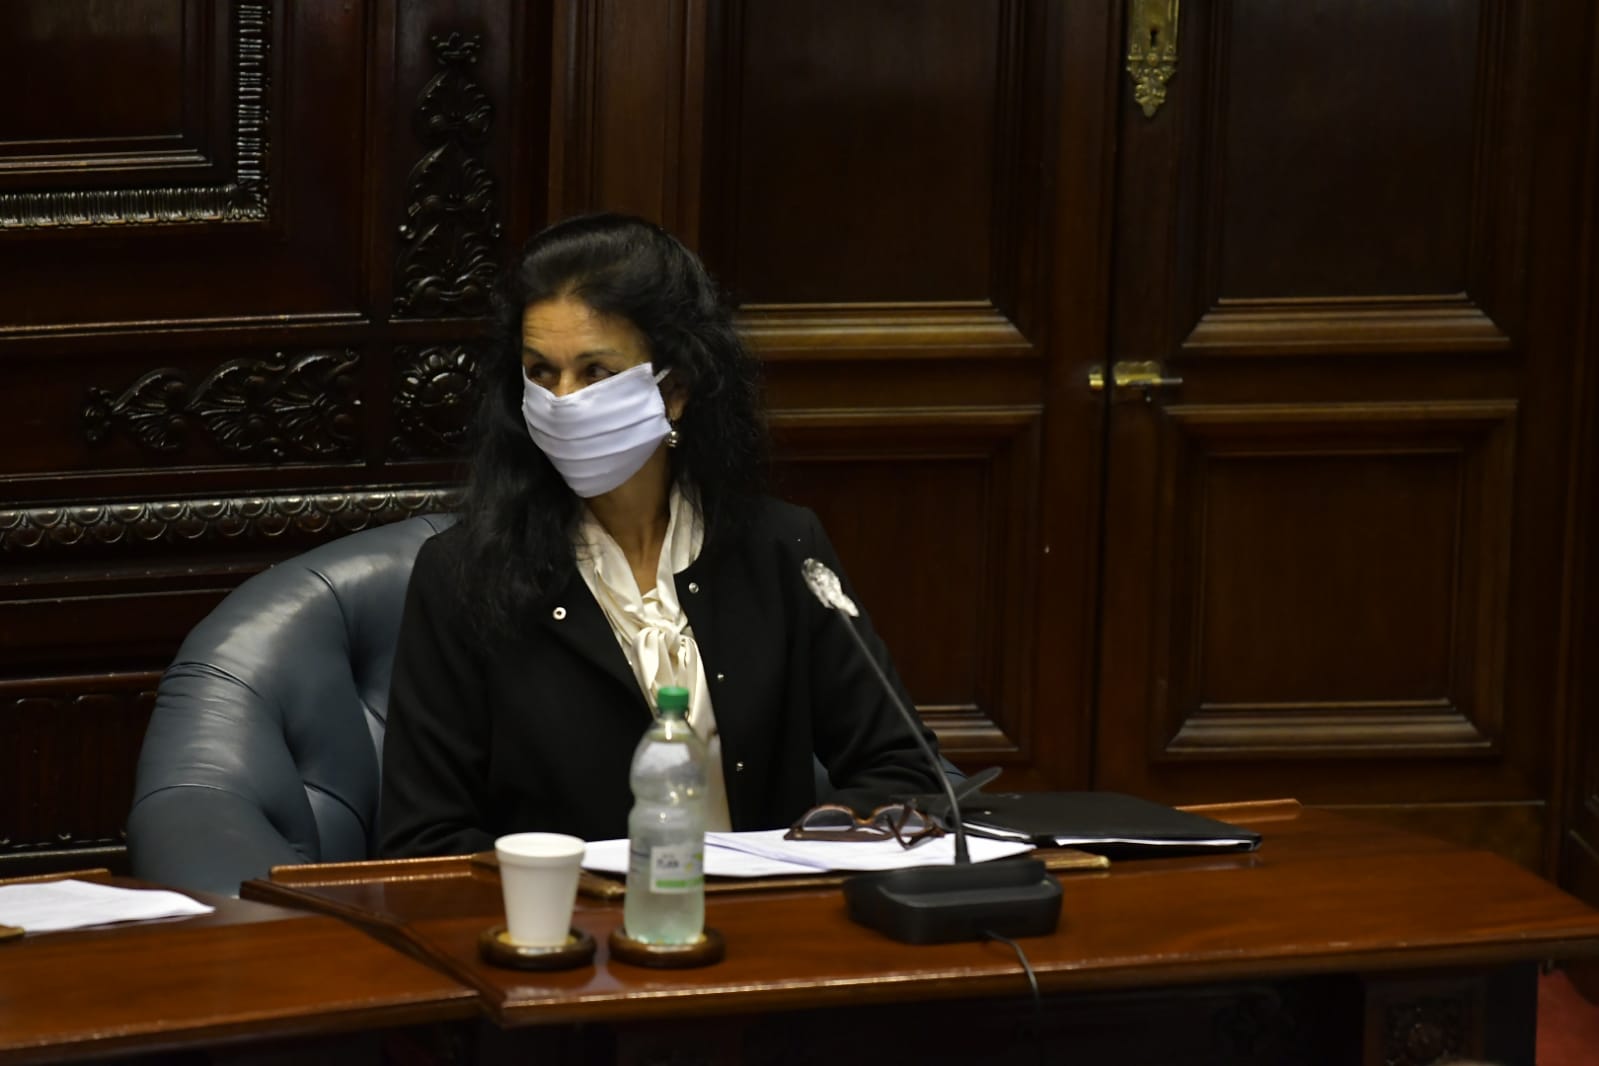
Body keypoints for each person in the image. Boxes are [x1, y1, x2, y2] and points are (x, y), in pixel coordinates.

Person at [378, 213, 945, 857]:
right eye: (541, 371)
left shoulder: (779, 548)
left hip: (765, 912)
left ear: (672, 391)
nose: (563, 400)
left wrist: (804, 857)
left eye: (594, 371)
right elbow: (421, 842)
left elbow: (906, 772)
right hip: (567, 916)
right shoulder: (462, 574)